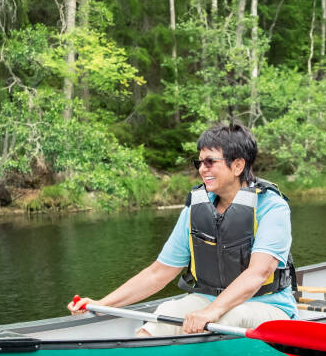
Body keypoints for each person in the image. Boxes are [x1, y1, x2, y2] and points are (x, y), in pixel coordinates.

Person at [68, 123, 296, 336]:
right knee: (165, 313)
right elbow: (158, 273)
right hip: (207, 301)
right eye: (200, 163)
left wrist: (211, 312)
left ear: (237, 165)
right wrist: (102, 304)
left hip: (267, 306)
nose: (202, 169)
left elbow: (259, 273)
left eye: (210, 162)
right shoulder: (195, 209)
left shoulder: (272, 207)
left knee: (228, 317)